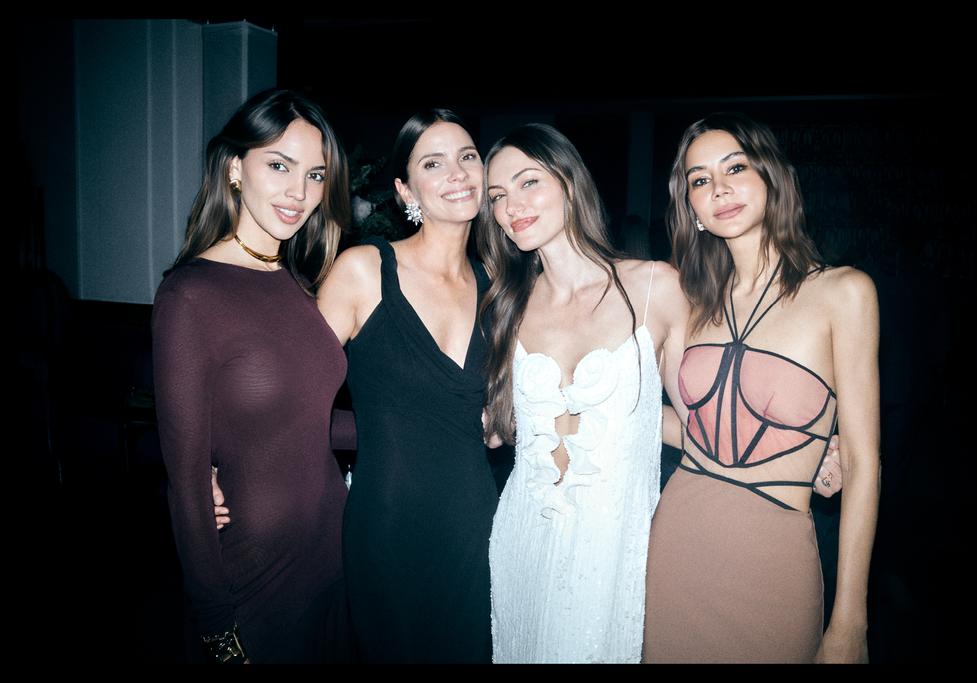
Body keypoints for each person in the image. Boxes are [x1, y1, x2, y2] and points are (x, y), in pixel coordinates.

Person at [642, 113, 880, 663]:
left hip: (775, 556)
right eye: (700, 180)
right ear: (691, 208)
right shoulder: (693, 304)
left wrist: (851, 619)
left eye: (735, 168)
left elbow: (863, 463)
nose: (719, 189)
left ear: (773, 177)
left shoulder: (843, 293)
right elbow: (695, 429)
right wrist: (587, 411)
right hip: (676, 544)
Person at [152, 89, 354, 664]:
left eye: (315, 175)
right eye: (279, 166)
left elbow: (306, 421)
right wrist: (217, 626)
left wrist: (425, 423)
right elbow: (187, 482)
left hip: (332, 560)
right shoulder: (190, 295)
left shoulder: (298, 284)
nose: (299, 193)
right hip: (254, 580)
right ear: (235, 168)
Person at [478, 123, 690, 663]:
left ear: (569, 182)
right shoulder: (505, 306)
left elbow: (698, 423)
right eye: (497, 196)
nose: (511, 207)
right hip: (525, 536)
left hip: (615, 545)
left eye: (528, 182)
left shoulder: (655, 287)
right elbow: (494, 425)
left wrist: (799, 449)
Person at [314, 109, 497, 663]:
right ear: (404, 189)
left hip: (477, 526)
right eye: (433, 163)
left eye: (467, 157)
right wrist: (222, 466)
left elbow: (499, 425)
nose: (457, 173)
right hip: (387, 525)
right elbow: (295, 400)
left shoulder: (499, 288)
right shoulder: (363, 271)